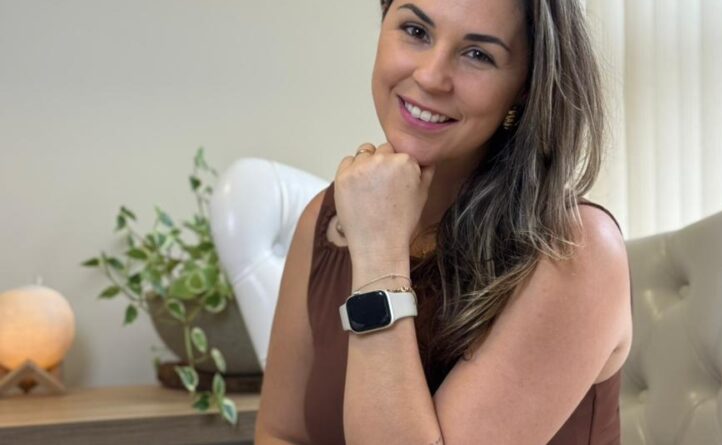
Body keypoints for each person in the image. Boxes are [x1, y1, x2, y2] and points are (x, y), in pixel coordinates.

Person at [255, 0, 632, 443]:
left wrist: (378, 255)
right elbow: (280, 433)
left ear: (525, 87)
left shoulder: (577, 249)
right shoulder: (323, 219)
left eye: (478, 54)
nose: (431, 76)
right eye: (416, 31)